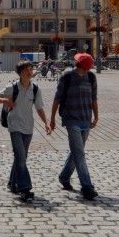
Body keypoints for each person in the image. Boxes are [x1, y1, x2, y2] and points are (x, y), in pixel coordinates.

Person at [0, 60, 50, 202]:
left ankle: (12, 183)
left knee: (21, 157)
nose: (30, 71)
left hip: (28, 127)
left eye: (31, 69)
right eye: (26, 69)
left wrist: (46, 123)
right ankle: (24, 188)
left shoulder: (35, 88)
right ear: (20, 73)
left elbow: (39, 108)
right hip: (15, 126)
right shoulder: (12, 87)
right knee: (20, 156)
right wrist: (5, 101)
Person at [50, 52, 98, 200]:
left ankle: (64, 177)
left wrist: (96, 116)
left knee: (77, 152)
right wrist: (52, 119)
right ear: (85, 66)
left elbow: (93, 98)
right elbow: (57, 98)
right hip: (71, 119)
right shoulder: (67, 77)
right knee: (80, 153)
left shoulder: (91, 77)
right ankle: (87, 186)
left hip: (86, 120)